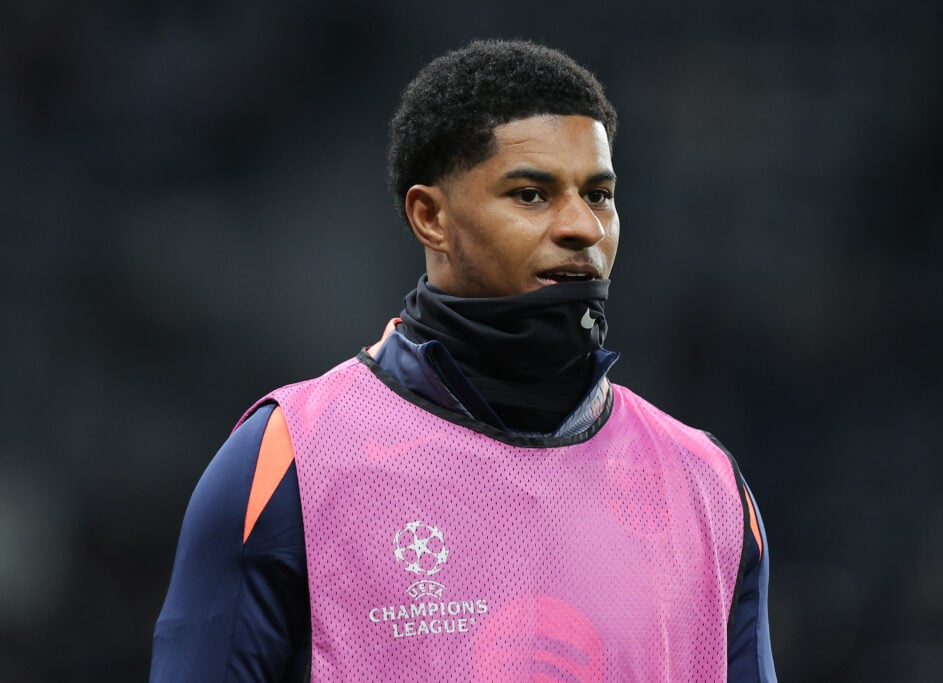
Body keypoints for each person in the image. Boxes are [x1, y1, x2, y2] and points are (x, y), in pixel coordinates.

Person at [151, 39, 777, 682]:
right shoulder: (290, 460)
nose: (583, 228)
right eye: (532, 194)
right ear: (431, 217)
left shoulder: (706, 486)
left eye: (598, 194)